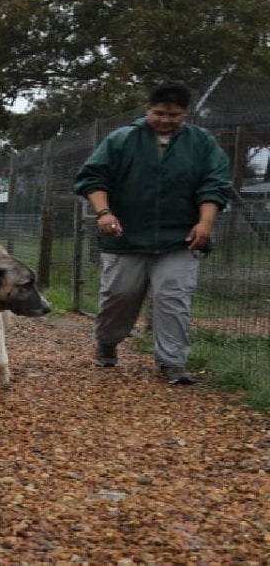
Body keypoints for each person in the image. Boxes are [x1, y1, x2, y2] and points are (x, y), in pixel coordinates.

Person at [73, 81, 231, 385]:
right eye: (159, 113)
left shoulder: (201, 143)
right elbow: (93, 177)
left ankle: (172, 363)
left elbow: (215, 183)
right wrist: (104, 213)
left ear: (185, 114)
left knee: (173, 297)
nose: (165, 120)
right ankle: (107, 341)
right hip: (125, 236)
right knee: (120, 295)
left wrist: (205, 223)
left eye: (174, 115)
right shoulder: (122, 139)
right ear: (147, 110)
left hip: (179, 238)